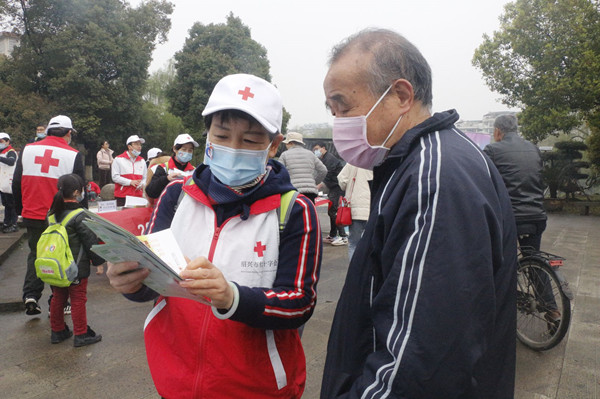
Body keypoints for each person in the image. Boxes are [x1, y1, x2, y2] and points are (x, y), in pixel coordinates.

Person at [320, 29, 517, 398]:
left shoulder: (435, 176)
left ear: (400, 95)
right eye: (332, 110)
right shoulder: (415, 163)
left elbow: (420, 362)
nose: (338, 122)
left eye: (343, 106)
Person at [106, 73, 322, 398]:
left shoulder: (295, 211)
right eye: (221, 136)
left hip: (257, 388)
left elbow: (300, 304)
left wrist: (232, 297)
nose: (233, 149)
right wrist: (131, 283)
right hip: (175, 381)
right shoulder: (175, 196)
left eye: (249, 141)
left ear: (273, 146)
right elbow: (153, 281)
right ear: (206, 136)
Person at [483, 114, 557, 322]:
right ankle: (552, 309)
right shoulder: (533, 148)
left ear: (498, 131)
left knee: (498, 260)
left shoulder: (492, 150)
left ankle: (501, 309)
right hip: (536, 215)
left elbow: (485, 182)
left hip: (509, 217)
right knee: (534, 258)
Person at [13, 115, 87, 316]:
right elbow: (81, 190)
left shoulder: (27, 149)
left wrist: (21, 210)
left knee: (36, 253)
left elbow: (16, 182)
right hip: (59, 217)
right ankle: (58, 302)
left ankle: (30, 295)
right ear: (69, 133)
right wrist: (84, 216)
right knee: (61, 255)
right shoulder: (72, 155)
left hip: (32, 213)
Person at [47, 174, 105, 347]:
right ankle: (81, 334)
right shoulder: (80, 215)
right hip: (76, 266)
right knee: (78, 298)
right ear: (76, 192)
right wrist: (98, 263)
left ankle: (57, 331)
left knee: (58, 297)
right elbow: (90, 242)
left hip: (57, 265)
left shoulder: (51, 215)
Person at [312, 141, 348, 246]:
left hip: (338, 187)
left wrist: (318, 186)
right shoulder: (323, 159)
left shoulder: (329, 159)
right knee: (331, 210)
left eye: (318, 149)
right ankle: (333, 235)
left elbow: (328, 175)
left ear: (324, 148)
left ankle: (343, 236)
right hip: (333, 188)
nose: (316, 151)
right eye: (314, 150)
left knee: (334, 212)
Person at [145, 134, 198, 200]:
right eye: (184, 150)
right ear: (175, 149)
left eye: (190, 150)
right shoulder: (163, 168)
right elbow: (150, 192)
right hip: (166, 208)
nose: (187, 153)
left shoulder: (195, 171)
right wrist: (166, 179)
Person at [278, 132, 327, 203]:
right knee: (308, 213)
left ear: (290, 143)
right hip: (311, 192)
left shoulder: (284, 155)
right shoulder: (310, 154)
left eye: (286, 143)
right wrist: (314, 182)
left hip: (292, 192)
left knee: (294, 213)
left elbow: (279, 172)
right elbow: (323, 170)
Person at [336, 164, 372, 259]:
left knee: (354, 244)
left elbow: (342, 180)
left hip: (356, 210)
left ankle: (354, 271)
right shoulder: (377, 161)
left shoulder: (353, 163)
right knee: (372, 244)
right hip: (373, 209)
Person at [111, 135, 147, 207]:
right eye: (136, 144)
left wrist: (142, 183)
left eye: (140, 144)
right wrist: (130, 182)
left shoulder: (142, 161)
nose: (139, 146)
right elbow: (115, 177)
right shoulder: (118, 159)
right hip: (122, 196)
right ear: (129, 146)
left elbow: (145, 177)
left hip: (138, 196)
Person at [0, 132, 18, 233]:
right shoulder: (1, 152)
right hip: (3, 183)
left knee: (12, 205)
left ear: (7, 142)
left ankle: (14, 224)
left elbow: (11, 162)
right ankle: (6, 223)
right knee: (6, 204)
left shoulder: (10, 151)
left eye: (1, 141)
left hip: (10, 183)